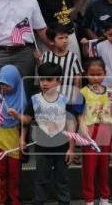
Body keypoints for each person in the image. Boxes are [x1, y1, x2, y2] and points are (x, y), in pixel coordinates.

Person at [23, 62, 75, 205]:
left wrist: (71, 148)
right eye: (42, 79)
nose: (45, 83)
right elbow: (26, 120)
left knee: (62, 180)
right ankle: (39, 201)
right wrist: (16, 117)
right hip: (42, 147)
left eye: (49, 79)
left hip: (62, 148)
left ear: (59, 81)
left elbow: (71, 124)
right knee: (41, 179)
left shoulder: (65, 100)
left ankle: (64, 202)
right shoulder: (34, 100)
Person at [77, 57, 112, 205]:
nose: (96, 77)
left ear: (105, 73)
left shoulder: (110, 92)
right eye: (92, 74)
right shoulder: (83, 92)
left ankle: (104, 199)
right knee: (89, 169)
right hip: (90, 132)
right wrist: (84, 132)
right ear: (86, 74)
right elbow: (79, 116)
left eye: (99, 74)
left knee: (104, 169)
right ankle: (89, 200)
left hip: (106, 132)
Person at [0, 65, 27, 205]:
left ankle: (15, 200)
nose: (4, 87)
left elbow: (25, 124)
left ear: (16, 83)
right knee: (0, 175)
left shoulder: (22, 101)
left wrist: (17, 116)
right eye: (2, 84)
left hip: (15, 145)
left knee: (14, 176)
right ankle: (1, 200)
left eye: (8, 84)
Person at [40, 24, 82, 102]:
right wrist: (37, 59)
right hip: (50, 96)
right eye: (60, 38)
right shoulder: (46, 56)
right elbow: (42, 73)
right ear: (51, 41)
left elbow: (77, 77)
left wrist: (76, 93)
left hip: (67, 96)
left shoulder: (73, 57)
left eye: (66, 37)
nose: (65, 41)